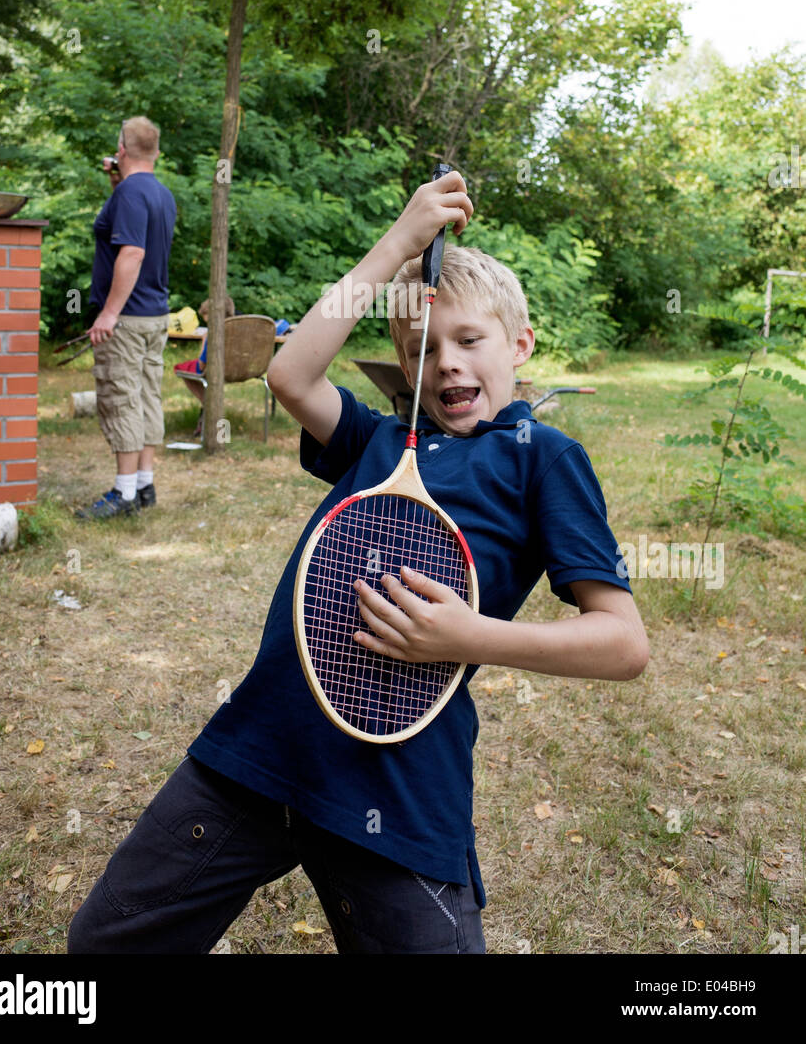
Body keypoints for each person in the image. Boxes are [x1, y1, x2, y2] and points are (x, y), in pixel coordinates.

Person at [67, 169, 648, 954]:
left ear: (520, 344)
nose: (445, 364)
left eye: (469, 341)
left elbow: (620, 643)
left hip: (398, 786)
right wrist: (398, 244)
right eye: (422, 348)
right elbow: (288, 373)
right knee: (105, 945)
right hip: (264, 748)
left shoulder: (540, 457)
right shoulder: (375, 438)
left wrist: (465, 636)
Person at [75, 116, 177, 520]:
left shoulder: (132, 193)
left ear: (121, 148)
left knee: (122, 399)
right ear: (153, 151)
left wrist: (109, 313)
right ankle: (144, 484)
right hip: (155, 315)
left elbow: (132, 253)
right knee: (148, 395)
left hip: (129, 318)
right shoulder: (159, 193)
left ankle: (123, 494)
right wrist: (117, 186)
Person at [173, 295, 235, 436]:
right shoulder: (236, 329)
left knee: (180, 368)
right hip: (236, 370)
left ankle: (207, 404)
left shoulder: (213, 333)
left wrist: (204, 341)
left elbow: (202, 365)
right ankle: (221, 432)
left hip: (213, 370)